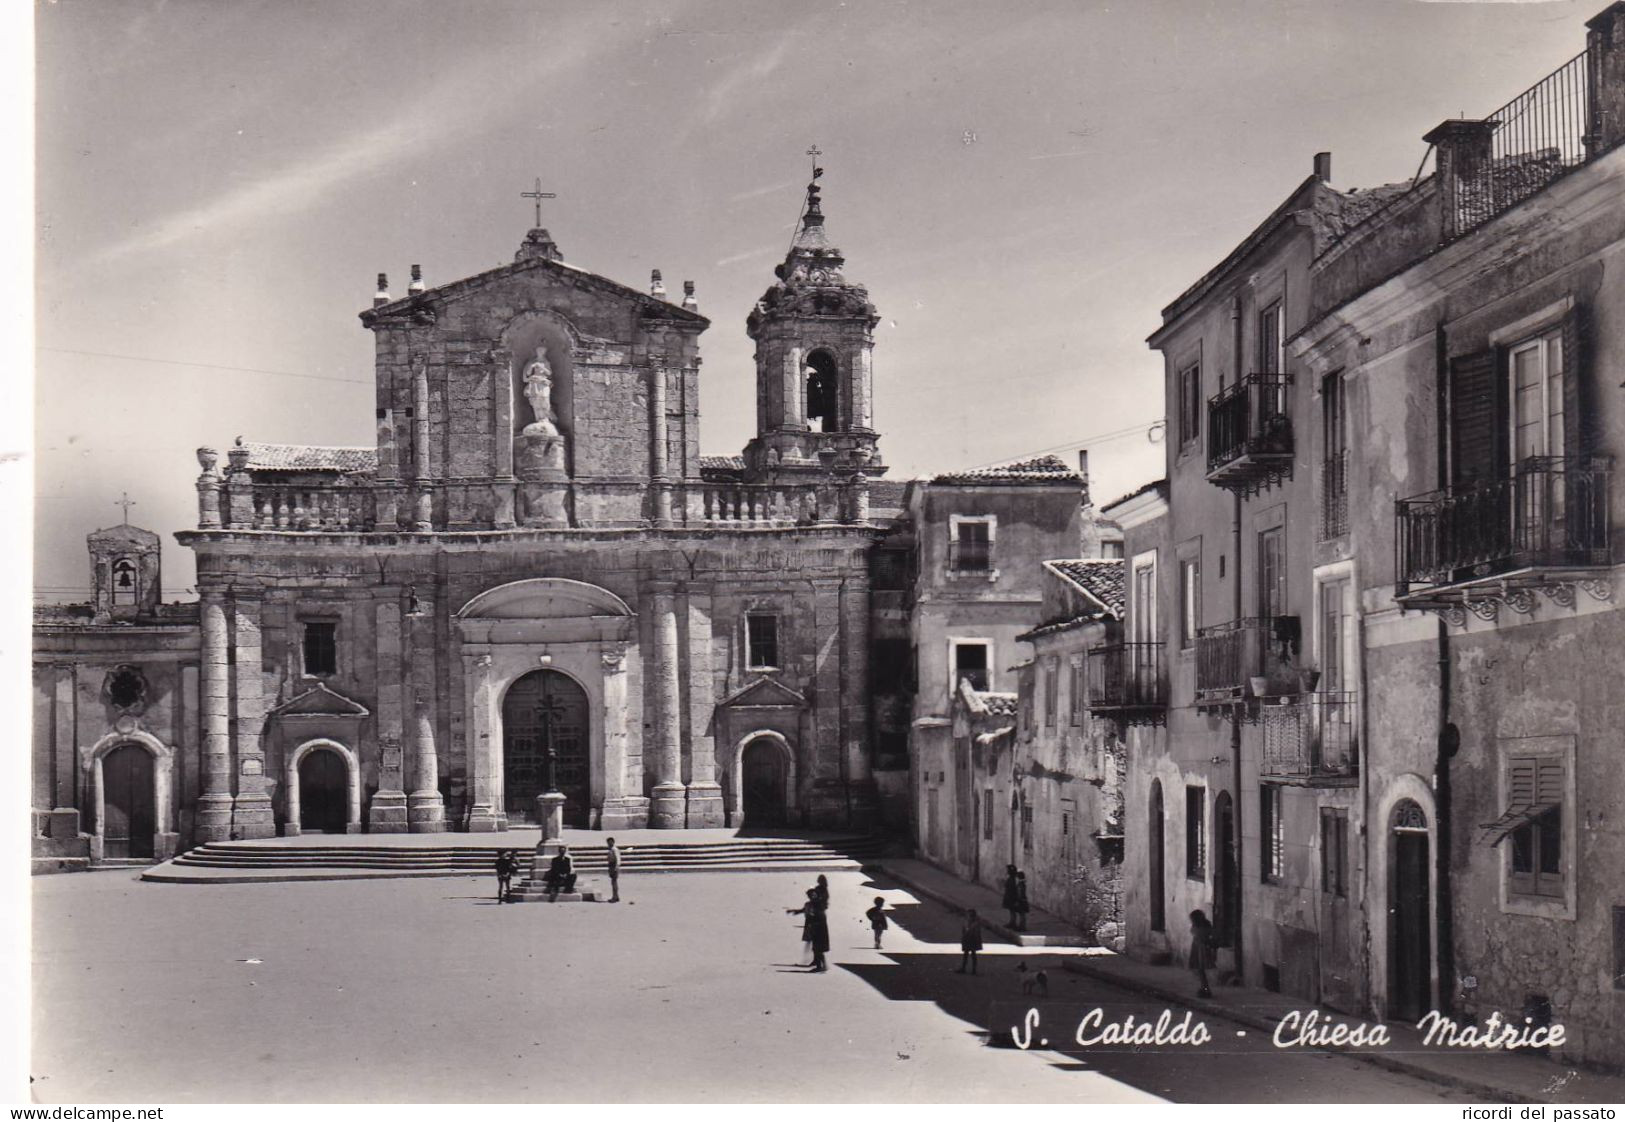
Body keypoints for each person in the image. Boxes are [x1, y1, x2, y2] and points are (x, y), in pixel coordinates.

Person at [787, 889, 820, 967]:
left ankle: (817, 961)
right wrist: (794, 911)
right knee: (812, 943)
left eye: (813, 895)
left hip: (815, 924)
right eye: (810, 895)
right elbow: (803, 910)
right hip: (808, 924)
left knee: (816, 944)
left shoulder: (817, 904)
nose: (811, 896)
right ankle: (815, 960)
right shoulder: (808, 904)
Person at [1189, 909, 1215, 998]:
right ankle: (1204, 988)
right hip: (1199, 947)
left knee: (1200, 969)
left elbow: (1196, 934)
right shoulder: (1206, 924)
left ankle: (1205, 988)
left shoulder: (1200, 926)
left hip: (1201, 948)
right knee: (1200, 970)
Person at [958, 909, 984, 974]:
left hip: (971, 940)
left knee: (969, 954)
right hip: (969, 939)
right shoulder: (971, 922)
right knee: (969, 954)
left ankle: (970, 969)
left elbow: (973, 932)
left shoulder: (974, 923)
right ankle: (971, 969)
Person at [605, 837, 622, 903]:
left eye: (610, 842)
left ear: (613, 842)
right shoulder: (610, 850)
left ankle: (615, 897)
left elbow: (618, 859)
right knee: (613, 882)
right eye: (608, 842)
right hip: (611, 866)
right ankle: (616, 896)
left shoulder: (614, 849)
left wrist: (616, 867)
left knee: (614, 882)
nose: (608, 843)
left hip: (614, 866)